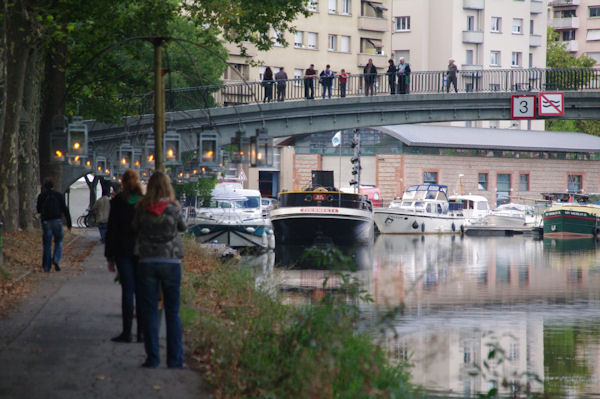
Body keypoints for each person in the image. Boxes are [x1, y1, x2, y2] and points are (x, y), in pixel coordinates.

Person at [133, 171, 186, 368]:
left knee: (150, 311)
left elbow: (135, 228)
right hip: (171, 262)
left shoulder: (142, 207)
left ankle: (152, 358)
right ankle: (175, 360)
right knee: (173, 312)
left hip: (147, 262)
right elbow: (183, 228)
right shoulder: (173, 208)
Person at [105, 169, 144, 343]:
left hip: (122, 251)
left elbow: (111, 230)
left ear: (122, 182)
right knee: (141, 292)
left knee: (127, 291)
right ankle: (142, 333)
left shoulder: (118, 202)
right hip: (142, 251)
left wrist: (110, 257)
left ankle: (127, 332)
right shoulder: (144, 202)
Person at [36, 177, 72, 272]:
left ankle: (47, 267)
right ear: (53, 186)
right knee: (58, 241)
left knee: (47, 244)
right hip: (57, 221)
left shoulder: (41, 196)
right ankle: (56, 259)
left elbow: (38, 209)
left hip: (46, 221)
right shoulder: (59, 195)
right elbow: (65, 209)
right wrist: (69, 223)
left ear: (44, 186)